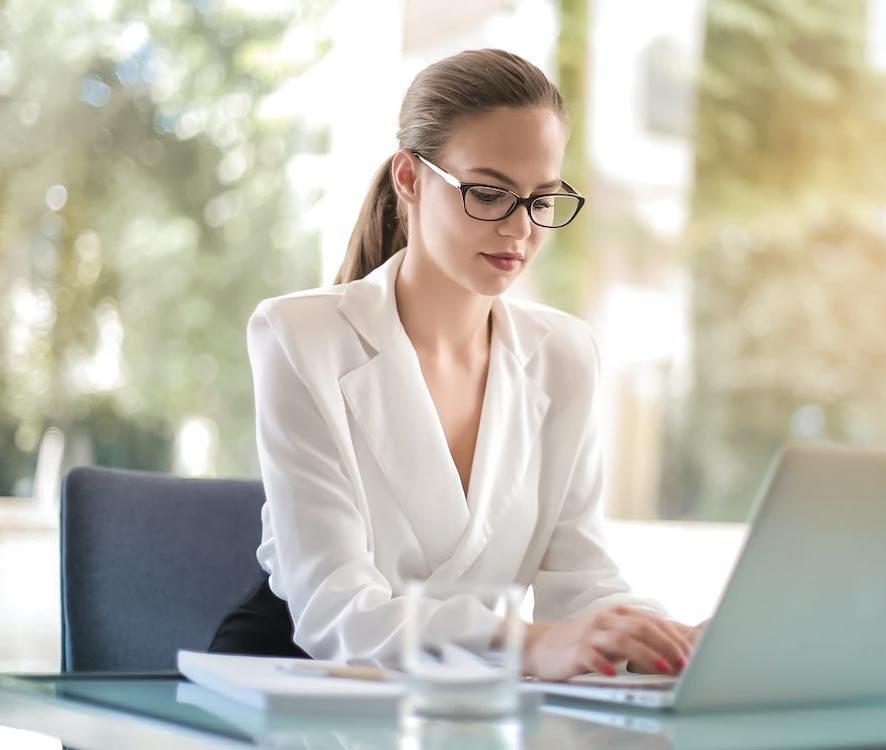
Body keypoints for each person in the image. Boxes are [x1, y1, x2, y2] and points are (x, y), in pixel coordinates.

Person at [210, 49, 698, 681]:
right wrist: (526, 647)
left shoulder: (565, 355)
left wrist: (666, 641)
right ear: (409, 179)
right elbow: (336, 612)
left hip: (463, 696)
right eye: (489, 193)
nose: (520, 228)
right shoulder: (300, 336)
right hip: (300, 681)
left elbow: (582, 581)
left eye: (541, 198)